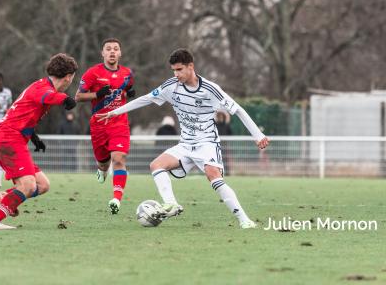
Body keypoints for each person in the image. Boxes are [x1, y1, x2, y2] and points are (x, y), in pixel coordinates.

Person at [98, 48, 269, 229]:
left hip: (207, 143)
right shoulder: (171, 86)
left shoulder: (210, 89)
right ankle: (171, 204)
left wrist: (258, 136)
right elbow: (145, 99)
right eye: (173, 70)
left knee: (214, 177)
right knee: (156, 165)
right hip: (185, 144)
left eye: (179, 70)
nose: (176, 74)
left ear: (190, 67)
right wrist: (114, 112)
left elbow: (238, 110)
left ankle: (244, 220)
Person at [0, 53, 78, 229]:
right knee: (28, 184)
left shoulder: (40, 86)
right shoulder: (43, 89)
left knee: (42, 185)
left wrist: (34, 137)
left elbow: (23, 114)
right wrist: (66, 99)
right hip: (8, 139)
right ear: (69, 77)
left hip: (9, 138)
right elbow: (48, 97)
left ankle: (6, 197)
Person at [75, 38, 135, 214]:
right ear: (102, 53)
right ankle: (101, 171)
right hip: (100, 125)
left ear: (120, 53)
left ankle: (116, 198)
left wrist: (129, 93)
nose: (112, 52)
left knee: (119, 159)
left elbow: (127, 88)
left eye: (115, 49)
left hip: (120, 124)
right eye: (108, 49)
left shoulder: (127, 73)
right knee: (103, 163)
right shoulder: (93, 73)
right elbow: (78, 97)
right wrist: (97, 94)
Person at [216, 111, 233, 175]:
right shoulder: (215, 125)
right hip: (217, 145)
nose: (220, 118)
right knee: (217, 158)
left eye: (221, 116)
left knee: (225, 159)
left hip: (225, 144)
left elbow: (230, 134)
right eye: (219, 116)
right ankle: (218, 172)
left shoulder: (226, 125)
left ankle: (227, 172)